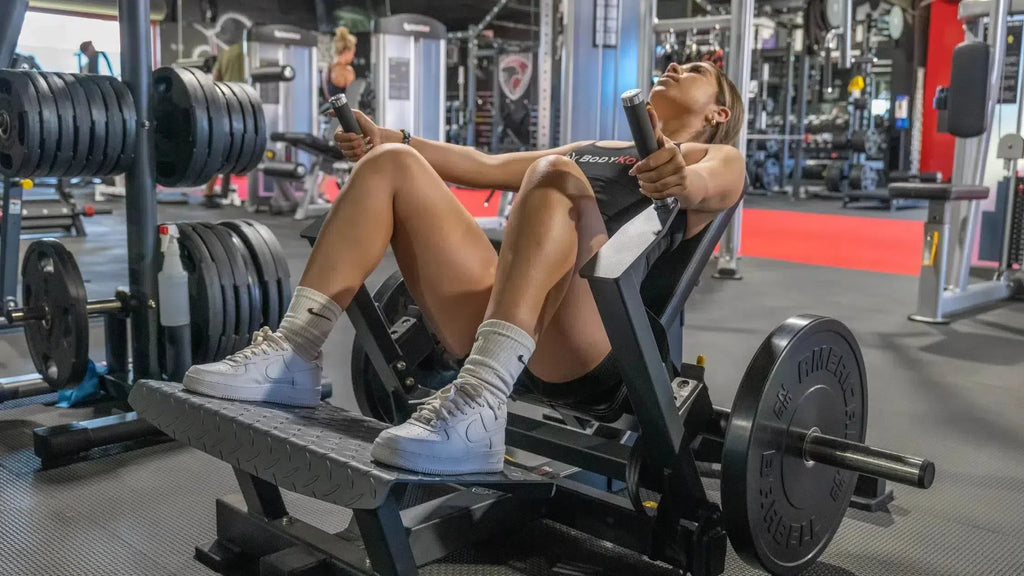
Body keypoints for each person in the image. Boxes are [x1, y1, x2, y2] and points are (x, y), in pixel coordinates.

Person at [183, 61, 746, 475]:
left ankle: (477, 405)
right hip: (502, 328)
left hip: (598, 346)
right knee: (392, 166)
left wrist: (683, 179)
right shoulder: (595, 147)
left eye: (694, 69)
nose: (673, 65)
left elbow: (719, 184)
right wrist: (391, 137)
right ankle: (294, 353)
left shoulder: (710, 158)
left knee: (554, 176)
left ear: (718, 112)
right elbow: (483, 165)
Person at [202, 41, 247, 208]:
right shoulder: (253, 51)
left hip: (227, 102)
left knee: (224, 146)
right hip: (247, 103)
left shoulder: (226, 53)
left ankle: (212, 189)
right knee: (241, 146)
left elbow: (215, 79)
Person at [325, 27, 357, 99]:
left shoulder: (329, 69)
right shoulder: (348, 71)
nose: (353, 57)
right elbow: (352, 99)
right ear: (346, 52)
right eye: (353, 53)